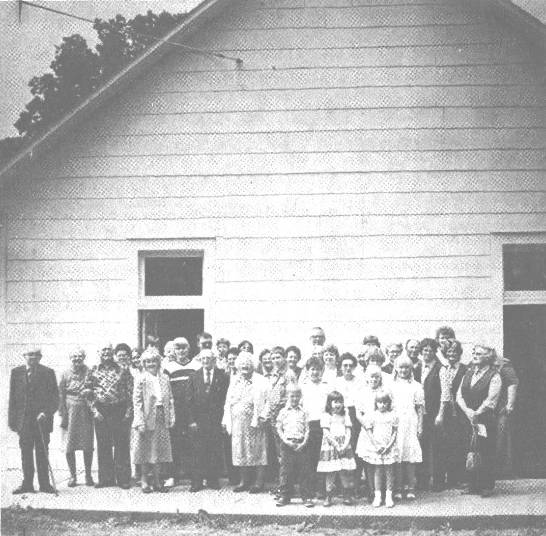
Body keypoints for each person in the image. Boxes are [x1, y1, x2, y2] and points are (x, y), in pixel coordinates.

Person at [9, 348, 59, 494]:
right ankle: (27, 485)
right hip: (24, 421)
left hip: (41, 420)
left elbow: (55, 397)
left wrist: (46, 412)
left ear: (40, 357)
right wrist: (13, 421)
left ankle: (44, 485)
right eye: (30, 354)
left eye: (36, 355)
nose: (33, 357)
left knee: (42, 452)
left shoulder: (48, 372)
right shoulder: (16, 372)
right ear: (24, 356)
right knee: (26, 452)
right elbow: (13, 399)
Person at [457, 344, 502, 497]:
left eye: (479, 353)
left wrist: (477, 413)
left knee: (485, 450)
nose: (474, 355)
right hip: (467, 419)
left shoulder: (494, 375)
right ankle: (472, 485)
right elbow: (459, 396)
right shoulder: (468, 373)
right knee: (469, 449)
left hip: (485, 420)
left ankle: (486, 486)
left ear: (488, 357)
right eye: (474, 352)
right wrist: (468, 411)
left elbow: (491, 400)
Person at [222, 352, 269, 493]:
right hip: (238, 423)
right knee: (241, 450)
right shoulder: (234, 381)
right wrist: (225, 420)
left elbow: (268, 401)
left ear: (252, 366)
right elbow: (227, 403)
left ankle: (259, 482)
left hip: (255, 422)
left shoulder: (261, 380)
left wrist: (263, 416)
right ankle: (244, 481)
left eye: (247, 364)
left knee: (258, 451)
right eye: (242, 364)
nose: (245, 366)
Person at [88, 344, 133, 489]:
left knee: (121, 444)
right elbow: (87, 393)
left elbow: (130, 391)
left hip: (119, 409)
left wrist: (128, 411)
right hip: (101, 411)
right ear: (99, 352)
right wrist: (94, 411)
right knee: (103, 444)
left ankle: (123, 479)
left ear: (112, 352)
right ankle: (105, 479)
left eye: (108, 350)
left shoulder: (122, 369)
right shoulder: (93, 370)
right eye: (103, 350)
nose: (106, 352)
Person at [132, 348, 175, 493]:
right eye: (148, 361)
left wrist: (171, 416)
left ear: (158, 362)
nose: (151, 364)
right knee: (145, 450)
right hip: (146, 417)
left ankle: (157, 481)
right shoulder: (141, 378)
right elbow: (137, 402)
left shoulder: (164, 378)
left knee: (159, 451)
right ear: (144, 363)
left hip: (162, 416)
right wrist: (140, 421)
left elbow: (170, 399)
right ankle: (144, 480)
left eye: (154, 361)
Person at [187, 349, 229, 492]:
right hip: (198, 421)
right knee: (197, 451)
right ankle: (197, 482)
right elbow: (189, 400)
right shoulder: (193, 376)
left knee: (214, 450)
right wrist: (192, 420)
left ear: (214, 360)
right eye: (203, 358)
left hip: (215, 420)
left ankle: (212, 480)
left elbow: (225, 399)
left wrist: (223, 420)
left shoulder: (222, 376)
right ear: (200, 360)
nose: (206, 361)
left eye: (209, 358)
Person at [163, 336, 199, 486]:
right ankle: (173, 475)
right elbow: (166, 391)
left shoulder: (196, 366)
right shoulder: (168, 367)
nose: (181, 351)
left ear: (188, 349)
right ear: (174, 350)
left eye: (184, 347)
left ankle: (194, 476)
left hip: (191, 411)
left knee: (193, 443)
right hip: (175, 410)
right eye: (178, 348)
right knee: (175, 443)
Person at [58, 349, 95, 487]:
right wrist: (62, 412)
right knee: (69, 444)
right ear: (70, 357)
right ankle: (73, 476)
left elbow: (95, 388)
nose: (77, 359)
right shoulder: (65, 373)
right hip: (70, 410)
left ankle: (88, 475)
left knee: (87, 445)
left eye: (80, 356)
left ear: (84, 357)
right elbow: (60, 393)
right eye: (74, 356)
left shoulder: (89, 371)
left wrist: (90, 392)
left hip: (86, 410)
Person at [435, 339, 467, 489]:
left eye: (455, 351)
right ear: (445, 354)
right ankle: (442, 480)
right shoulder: (442, 369)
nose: (452, 354)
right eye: (449, 352)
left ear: (459, 353)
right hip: (445, 412)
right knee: (443, 445)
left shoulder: (465, 369)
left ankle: (456, 479)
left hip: (461, 412)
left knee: (458, 445)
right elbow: (442, 392)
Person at [275, 384, 313, 508]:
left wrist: (304, 443)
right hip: (287, 444)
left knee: (304, 471)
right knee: (286, 471)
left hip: (301, 444)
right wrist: (286, 442)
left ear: (300, 397)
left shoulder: (304, 412)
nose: (295, 399)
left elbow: (308, 429)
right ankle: (285, 495)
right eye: (292, 396)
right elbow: (279, 429)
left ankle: (306, 496)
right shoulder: (283, 412)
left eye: (297, 396)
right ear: (287, 396)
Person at [391, 356, 424, 501]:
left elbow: (420, 408)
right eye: (401, 367)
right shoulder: (390, 385)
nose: (403, 370)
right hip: (396, 422)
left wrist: (420, 425)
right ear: (396, 368)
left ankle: (410, 487)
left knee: (410, 455)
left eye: (406, 368)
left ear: (411, 369)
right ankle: (398, 487)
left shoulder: (416, 386)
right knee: (397, 455)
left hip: (411, 421)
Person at [358, 391, 398, 508]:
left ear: (388, 403)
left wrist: (389, 446)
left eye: (385, 402)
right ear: (376, 403)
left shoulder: (393, 415)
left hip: (388, 447)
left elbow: (394, 432)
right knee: (378, 471)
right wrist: (376, 446)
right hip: (377, 447)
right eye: (380, 402)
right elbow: (369, 431)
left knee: (389, 471)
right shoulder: (372, 415)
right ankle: (378, 496)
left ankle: (389, 496)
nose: (382, 405)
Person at [317, 391, 356, 506]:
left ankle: (347, 495)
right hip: (331, 446)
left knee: (344, 471)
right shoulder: (326, 415)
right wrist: (336, 445)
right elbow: (326, 433)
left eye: (340, 402)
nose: (338, 404)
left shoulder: (345, 415)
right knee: (330, 472)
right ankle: (328, 496)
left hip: (344, 446)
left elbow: (348, 431)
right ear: (329, 403)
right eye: (335, 402)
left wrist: (344, 445)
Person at [355, 364, 387, 500]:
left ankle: (381, 490)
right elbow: (358, 413)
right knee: (369, 461)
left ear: (380, 378)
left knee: (381, 460)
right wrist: (366, 425)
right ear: (366, 378)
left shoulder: (385, 391)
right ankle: (371, 490)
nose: (373, 379)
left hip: (381, 429)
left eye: (376, 377)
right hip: (367, 429)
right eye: (371, 377)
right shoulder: (362, 392)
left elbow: (390, 408)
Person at [300, 356, 330, 497]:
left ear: (322, 371)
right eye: (312, 369)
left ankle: (321, 489)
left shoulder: (327, 386)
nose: (315, 372)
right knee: (308, 458)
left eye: (318, 369)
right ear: (307, 371)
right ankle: (309, 489)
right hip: (308, 425)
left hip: (322, 425)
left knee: (322, 457)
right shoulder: (303, 387)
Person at [414, 338, 442, 491]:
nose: (427, 353)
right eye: (425, 350)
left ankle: (438, 480)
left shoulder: (440, 368)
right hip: (420, 414)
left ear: (434, 352)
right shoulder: (416, 368)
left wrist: (440, 414)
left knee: (436, 446)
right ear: (421, 352)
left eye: (430, 350)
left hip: (434, 413)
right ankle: (422, 480)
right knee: (421, 446)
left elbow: (445, 393)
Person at [260, 346, 290, 487]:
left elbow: (292, 397)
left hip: (285, 418)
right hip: (273, 418)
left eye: (278, 357)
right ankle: (282, 484)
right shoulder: (273, 375)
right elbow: (270, 397)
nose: (275, 360)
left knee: (285, 453)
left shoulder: (289, 375)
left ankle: (286, 485)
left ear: (284, 358)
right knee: (279, 453)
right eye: (273, 358)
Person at [495, 352, 519, 478]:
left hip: (501, 408)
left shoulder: (504, 366)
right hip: (488, 409)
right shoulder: (478, 364)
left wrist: (510, 404)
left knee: (502, 437)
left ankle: (504, 471)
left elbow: (512, 384)